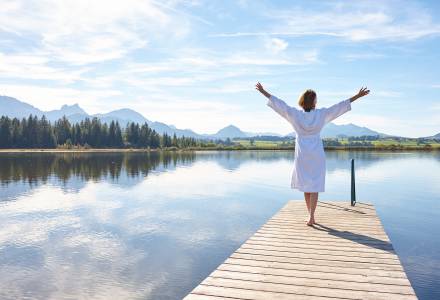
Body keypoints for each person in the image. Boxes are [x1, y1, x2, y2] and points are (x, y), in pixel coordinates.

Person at [256, 82, 370, 226]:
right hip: (316, 153)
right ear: (314, 102)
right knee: (314, 185)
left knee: (305, 185)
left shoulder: (295, 114)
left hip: (302, 155)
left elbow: (280, 105)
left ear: (302, 101)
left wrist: (263, 92)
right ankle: (312, 216)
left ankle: (310, 216)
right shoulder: (321, 114)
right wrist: (357, 96)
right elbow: (339, 107)